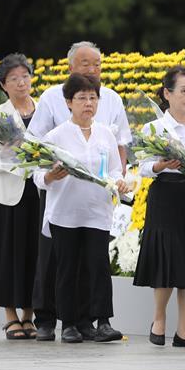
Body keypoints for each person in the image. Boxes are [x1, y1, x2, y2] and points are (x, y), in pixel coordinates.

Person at [27, 41, 132, 341]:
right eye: (82, 98)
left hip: (97, 210)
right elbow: (37, 172)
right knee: (66, 268)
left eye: (93, 98)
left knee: (98, 266)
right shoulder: (56, 135)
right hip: (66, 212)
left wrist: (119, 181)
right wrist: (50, 176)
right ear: (69, 103)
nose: (88, 103)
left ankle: (100, 322)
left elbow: (115, 168)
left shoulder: (105, 134)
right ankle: (69, 323)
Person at [134, 66, 185, 348]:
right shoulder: (154, 128)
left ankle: (184, 330)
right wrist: (160, 165)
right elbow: (142, 167)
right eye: (183, 91)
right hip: (166, 195)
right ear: (167, 94)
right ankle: (159, 319)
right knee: (166, 258)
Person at [0, 54, 41, 339]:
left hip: (40, 189)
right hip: (9, 192)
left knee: (35, 250)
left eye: (25, 77)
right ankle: (10, 316)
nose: (21, 83)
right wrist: (10, 153)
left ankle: (30, 315)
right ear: (3, 85)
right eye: (14, 79)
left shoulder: (44, 110)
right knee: (8, 251)